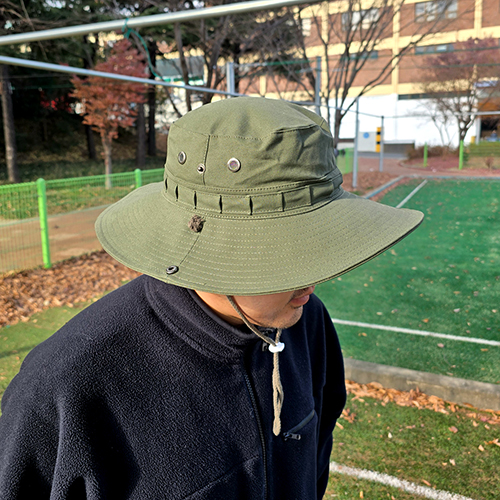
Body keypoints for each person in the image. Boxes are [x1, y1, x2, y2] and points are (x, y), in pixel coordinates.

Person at [0, 97, 423, 499]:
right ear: (220, 246)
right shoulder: (64, 389)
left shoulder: (307, 321)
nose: (316, 278)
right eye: (294, 250)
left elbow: (318, 448)